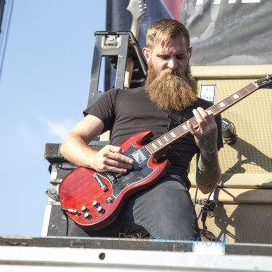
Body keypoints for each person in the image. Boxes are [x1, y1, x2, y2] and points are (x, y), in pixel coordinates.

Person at [60, 19, 223, 240]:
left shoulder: (204, 112)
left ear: (190, 54)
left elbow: (206, 186)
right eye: (164, 57)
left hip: (165, 187)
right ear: (147, 55)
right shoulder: (117, 97)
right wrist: (94, 159)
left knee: (180, 245)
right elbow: (70, 143)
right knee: (74, 254)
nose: (173, 65)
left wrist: (208, 146)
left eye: (180, 57)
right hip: (106, 188)